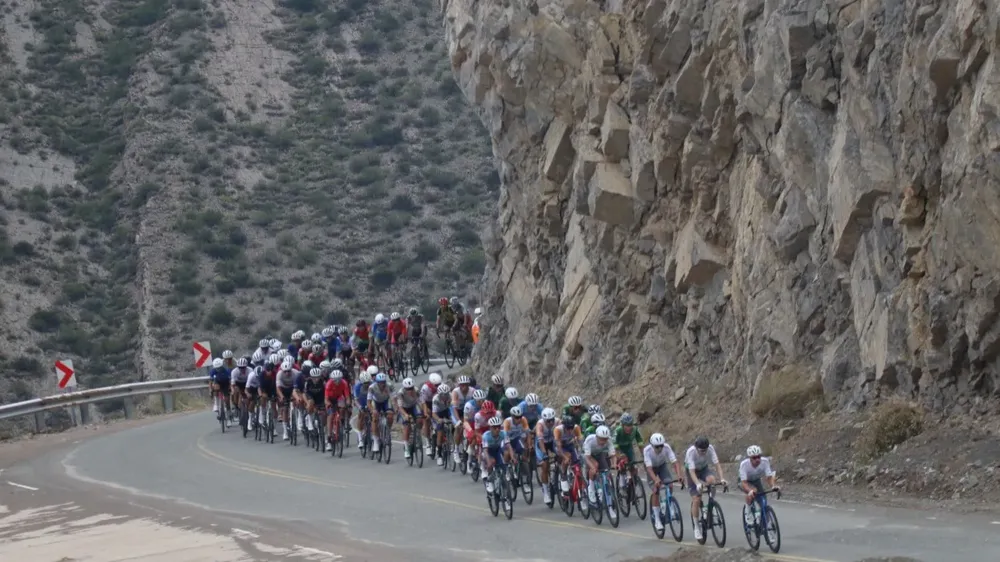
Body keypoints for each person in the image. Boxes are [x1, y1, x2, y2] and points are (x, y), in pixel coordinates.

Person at [685, 436, 727, 542]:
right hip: (692, 472)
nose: (704, 452)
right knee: (696, 499)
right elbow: (691, 472)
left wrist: (722, 479)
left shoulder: (711, 449)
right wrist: (698, 484)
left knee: (712, 480)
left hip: (703, 469)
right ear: (696, 448)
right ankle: (696, 527)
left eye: (705, 450)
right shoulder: (691, 452)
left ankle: (710, 505)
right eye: (701, 451)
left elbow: (717, 465)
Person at [644, 433, 683, 532]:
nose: (660, 448)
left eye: (661, 446)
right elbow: (649, 469)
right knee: (656, 490)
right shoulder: (647, 451)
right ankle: (657, 519)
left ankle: (669, 505)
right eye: (657, 447)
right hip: (651, 468)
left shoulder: (666, 447)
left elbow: (675, 462)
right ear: (652, 446)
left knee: (669, 484)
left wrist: (679, 475)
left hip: (662, 466)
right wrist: (655, 479)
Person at [739, 445, 779, 528]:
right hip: (744, 481)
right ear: (750, 458)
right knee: (753, 491)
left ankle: (765, 525)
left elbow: (769, 477)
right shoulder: (744, 464)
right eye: (754, 458)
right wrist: (749, 491)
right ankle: (748, 511)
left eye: (759, 457)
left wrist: (773, 486)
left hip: (756, 481)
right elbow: (744, 483)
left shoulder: (765, 461)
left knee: (763, 500)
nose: (757, 459)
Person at [582, 425, 617, 506]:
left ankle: (608, 493)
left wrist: (614, 464)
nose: (603, 442)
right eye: (601, 439)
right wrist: (593, 467)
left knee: (606, 472)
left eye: (605, 439)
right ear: (597, 437)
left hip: (599, 453)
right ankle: (591, 489)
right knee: (595, 466)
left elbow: (613, 455)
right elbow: (587, 458)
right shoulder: (590, 440)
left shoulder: (609, 440)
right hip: (588, 455)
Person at [553, 414, 583, 495]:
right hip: (560, 446)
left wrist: (581, 452)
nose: (570, 430)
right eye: (568, 428)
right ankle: (563, 477)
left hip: (570, 444)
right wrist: (564, 457)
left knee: (578, 462)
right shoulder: (558, 430)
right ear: (564, 426)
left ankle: (579, 483)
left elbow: (580, 441)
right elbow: (559, 447)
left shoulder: (576, 428)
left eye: (571, 428)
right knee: (567, 457)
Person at [482, 416, 512, 494]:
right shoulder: (486, 436)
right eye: (495, 428)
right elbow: (485, 451)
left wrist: (513, 457)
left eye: (499, 427)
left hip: (497, 450)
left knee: (503, 465)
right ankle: (489, 480)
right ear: (490, 428)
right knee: (492, 462)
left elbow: (509, 446)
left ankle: (504, 487)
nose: (497, 429)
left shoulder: (503, 433)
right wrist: (488, 462)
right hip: (488, 452)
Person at [534, 407, 558, 504]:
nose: (551, 423)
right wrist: (544, 453)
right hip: (541, 444)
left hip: (552, 442)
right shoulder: (540, 425)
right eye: (548, 421)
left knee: (561, 457)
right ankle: (546, 492)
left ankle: (559, 475)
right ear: (544, 420)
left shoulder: (557, 422)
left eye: (552, 420)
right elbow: (540, 440)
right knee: (545, 464)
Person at [395, 378, 422, 459]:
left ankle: (417, 433)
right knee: (407, 427)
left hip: (413, 406)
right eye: (408, 389)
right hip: (404, 408)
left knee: (420, 419)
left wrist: (422, 412)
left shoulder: (416, 390)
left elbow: (420, 402)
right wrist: (405, 415)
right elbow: (399, 407)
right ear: (404, 388)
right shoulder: (400, 393)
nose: (410, 391)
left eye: (411, 388)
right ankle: (406, 448)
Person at [366, 372, 393, 452]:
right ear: (377, 382)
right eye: (380, 383)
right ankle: (375, 441)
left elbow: (394, 399)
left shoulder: (390, 386)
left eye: (383, 382)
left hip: (386, 401)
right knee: (375, 418)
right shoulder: (371, 387)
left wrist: (396, 408)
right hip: (376, 402)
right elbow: (369, 402)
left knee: (390, 416)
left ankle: (387, 431)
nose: (382, 384)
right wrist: (372, 410)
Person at [450, 376, 475, 463]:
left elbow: (474, 405)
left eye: (465, 385)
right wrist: (459, 421)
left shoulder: (472, 391)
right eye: (461, 385)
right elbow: (454, 409)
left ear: (468, 385)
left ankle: (467, 446)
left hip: (467, 411)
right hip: (456, 411)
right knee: (459, 427)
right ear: (459, 385)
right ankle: (456, 450)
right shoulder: (455, 392)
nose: (463, 387)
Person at [419, 373, 442, 457]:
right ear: (431, 383)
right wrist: (426, 413)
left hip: (436, 402)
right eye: (436, 385)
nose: (437, 387)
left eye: (439, 384)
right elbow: (423, 402)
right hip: (426, 404)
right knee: (426, 420)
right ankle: (428, 442)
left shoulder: (441, 386)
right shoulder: (425, 388)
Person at [430, 383, 453, 466]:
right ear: (439, 394)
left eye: (446, 394)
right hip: (438, 413)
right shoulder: (435, 399)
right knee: (439, 431)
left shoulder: (451, 396)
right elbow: (434, 414)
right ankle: (439, 454)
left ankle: (451, 440)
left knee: (454, 424)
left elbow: (453, 410)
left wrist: (453, 419)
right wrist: (439, 420)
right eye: (442, 395)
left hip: (447, 411)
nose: (444, 396)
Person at [352, 371, 372, 448]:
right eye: (365, 383)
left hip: (370, 400)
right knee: (361, 415)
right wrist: (360, 407)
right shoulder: (357, 387)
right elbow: (355, 400)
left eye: (368, 382)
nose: (367, 384)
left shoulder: (372, 384)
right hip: (361, 401)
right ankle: (360, 439)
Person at [208, 358, 232, 426]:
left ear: (222, 366)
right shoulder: (213, 371)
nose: (218, 369)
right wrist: (210, 390)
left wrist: (230, 388)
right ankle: (216, 403)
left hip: (225, 384)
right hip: (217, 383)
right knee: (215, 386)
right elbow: (210, 381)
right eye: (216, 368)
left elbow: (230, 381)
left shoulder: (227, 371)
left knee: (227, 400)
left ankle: (229, 418)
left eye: (219, 368)